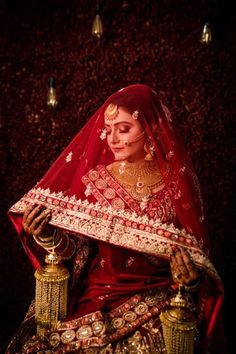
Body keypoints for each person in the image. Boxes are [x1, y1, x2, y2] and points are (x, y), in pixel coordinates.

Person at [6, 84, 224, 354]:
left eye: (123, 129)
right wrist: (52, 238)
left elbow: (197, 260)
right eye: (108, 130)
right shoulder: (96, 180)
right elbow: (82, 250)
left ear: (152, 129)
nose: (113, 139)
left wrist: (189, 279)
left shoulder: (179, 183)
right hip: (96, 293)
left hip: (157, 296)